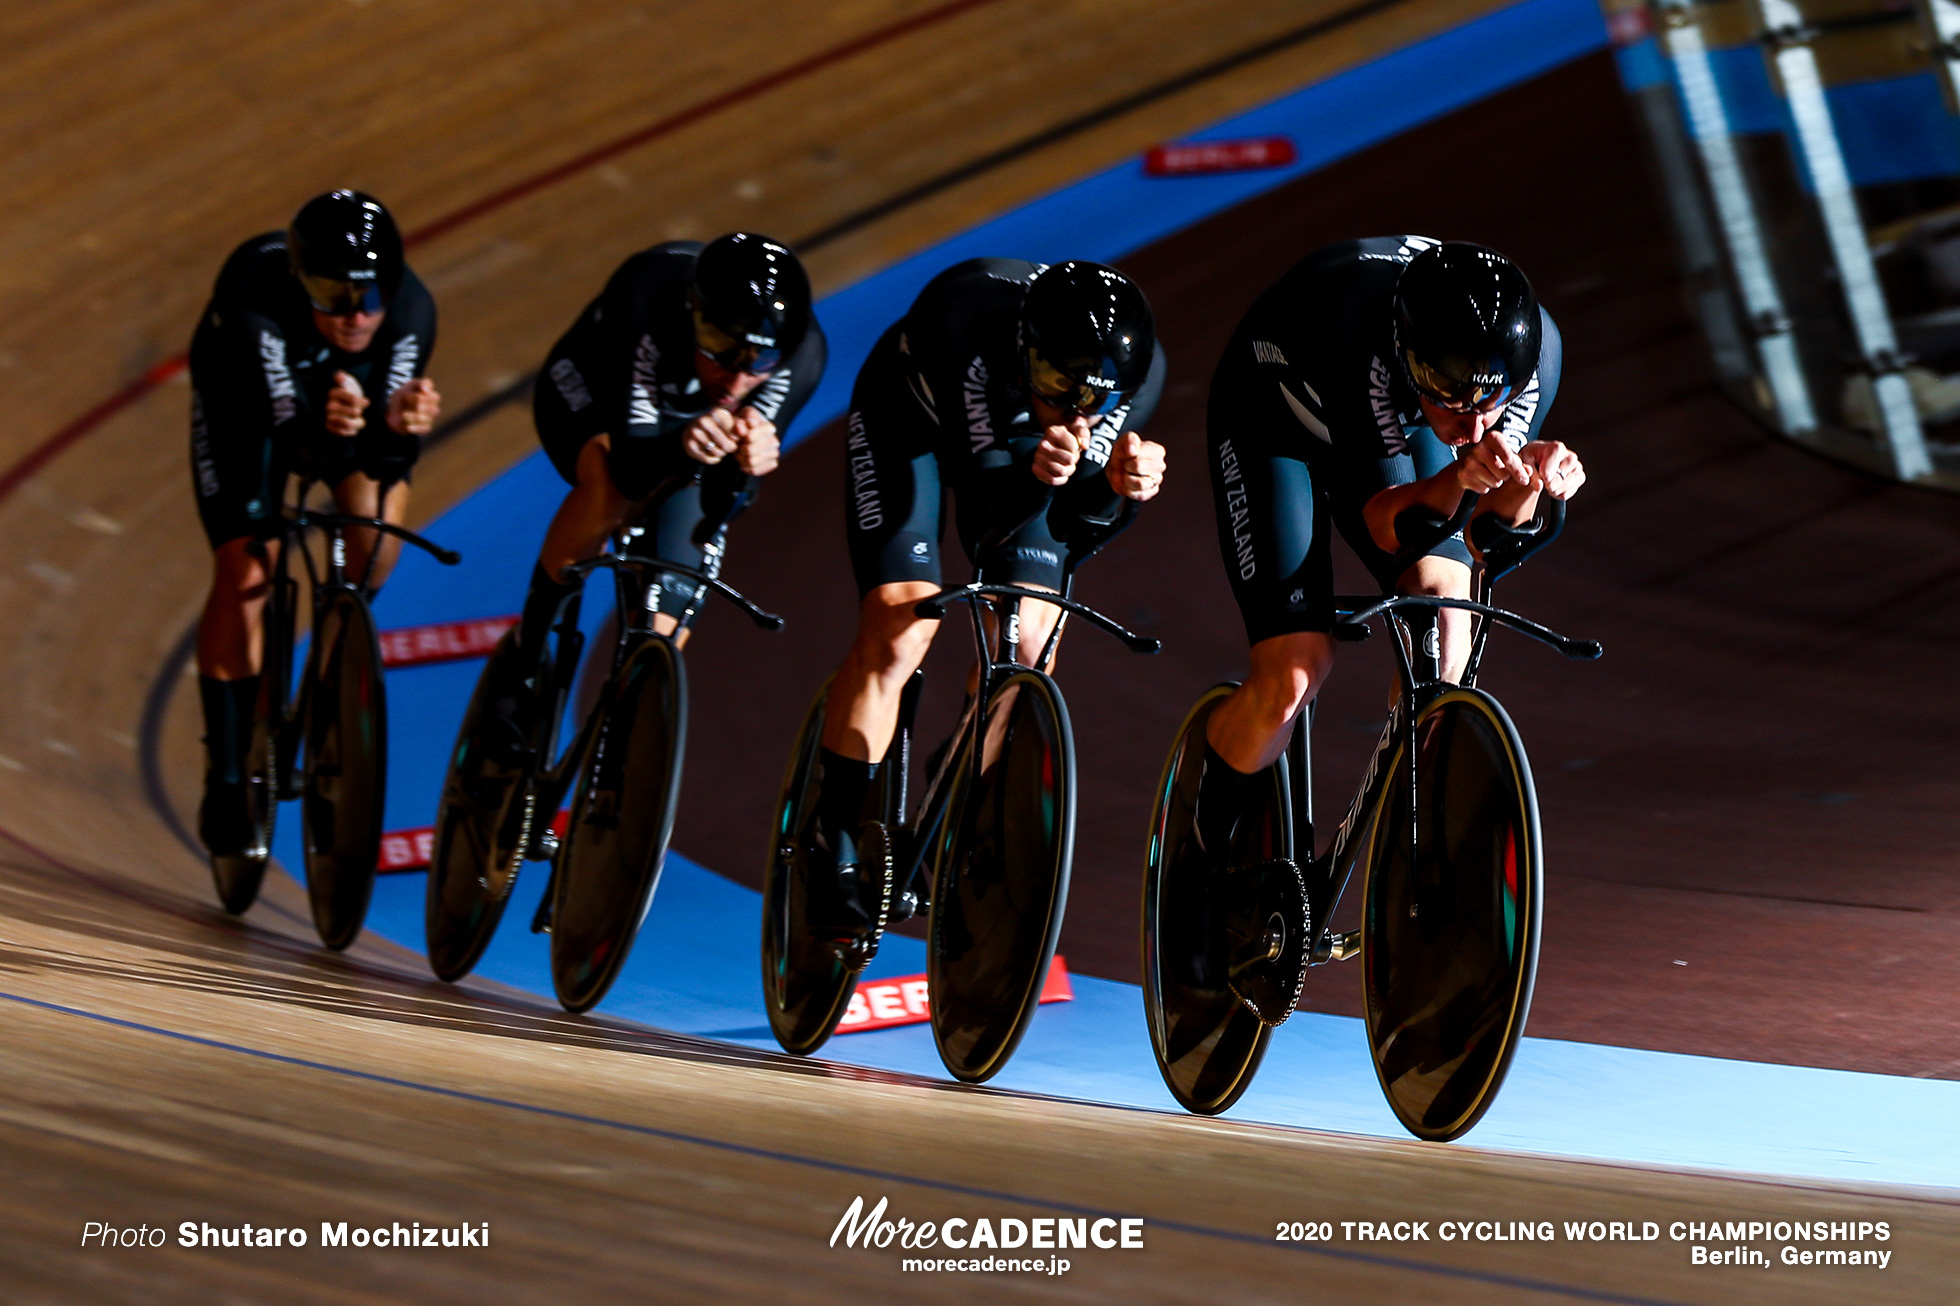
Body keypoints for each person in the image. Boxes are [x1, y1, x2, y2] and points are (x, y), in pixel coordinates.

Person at [1194, 235, 1585, 878]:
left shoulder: (1536, 353)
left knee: (1447, 620)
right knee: (1293, 672)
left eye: (1492, 404)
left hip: (1395, 426)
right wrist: (1461, 476)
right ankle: (1202, 870)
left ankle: (1416, 845)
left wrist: (1529, 481)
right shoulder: (1359, 329)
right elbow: (1385, 524)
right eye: (1450, 397)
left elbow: (1485, 541)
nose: (1474, 426)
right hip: (1274, 416)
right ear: (1410, 358)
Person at [809, 257, 1170, 927]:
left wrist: (1119, 493)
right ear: (1023, 350)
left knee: (1029, 644)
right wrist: (1043, 473)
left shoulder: (1132, 382)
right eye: (1055, 382)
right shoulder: (966, 323)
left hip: (1014, 460)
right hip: (910, 423)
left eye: (1090, 397)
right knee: (901, 623)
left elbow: (1070, 539)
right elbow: (985, 522)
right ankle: (829, 839)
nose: (1070, 406)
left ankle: (958, 766)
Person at [483, 232, 826, 755]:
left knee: (668, 617)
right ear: (692, 316)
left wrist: (747, 468)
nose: (736, 379)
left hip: (681, 436)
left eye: (757, 363)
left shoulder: (802, 358)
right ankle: (525, 660)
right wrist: (683, 442)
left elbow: (727, 505)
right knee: (608, 486)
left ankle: (624, 736)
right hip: (594, 395)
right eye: (719, 350)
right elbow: (634, 467)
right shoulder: (648, 294)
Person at [190, 189, 441, 859]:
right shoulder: (253, 290)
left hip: (336, 410)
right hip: (248, 410)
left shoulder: (413, 311)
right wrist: (329, 426)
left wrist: (397, 427)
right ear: (301, 281)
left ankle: (325, 682)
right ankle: (226, 772)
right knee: (248, 567)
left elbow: (389, 461)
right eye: (332, 293)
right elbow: (293, 439)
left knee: (375, 549)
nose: (356, 314)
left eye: (370, 293)